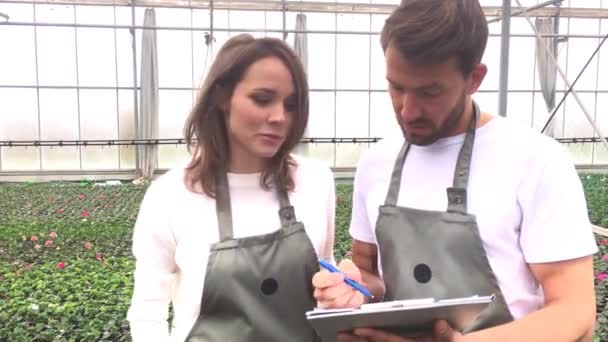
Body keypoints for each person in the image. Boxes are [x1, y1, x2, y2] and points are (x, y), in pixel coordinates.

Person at [312, 0, 598, 341]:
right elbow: (368, 271)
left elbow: (575, 310)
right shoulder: (377, 162)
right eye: (396, 87)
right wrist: (352, 288)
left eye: (429, 91)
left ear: (474, 78)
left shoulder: (534, 160)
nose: (408, 110)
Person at [127, 33, 336, 342]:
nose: (280, 117)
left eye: (291, 105)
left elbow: (325, 275)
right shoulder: (171, 195)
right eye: (262, 99)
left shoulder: (315, 181)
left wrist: (339, 295)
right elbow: (147, 312)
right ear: (223, 97)